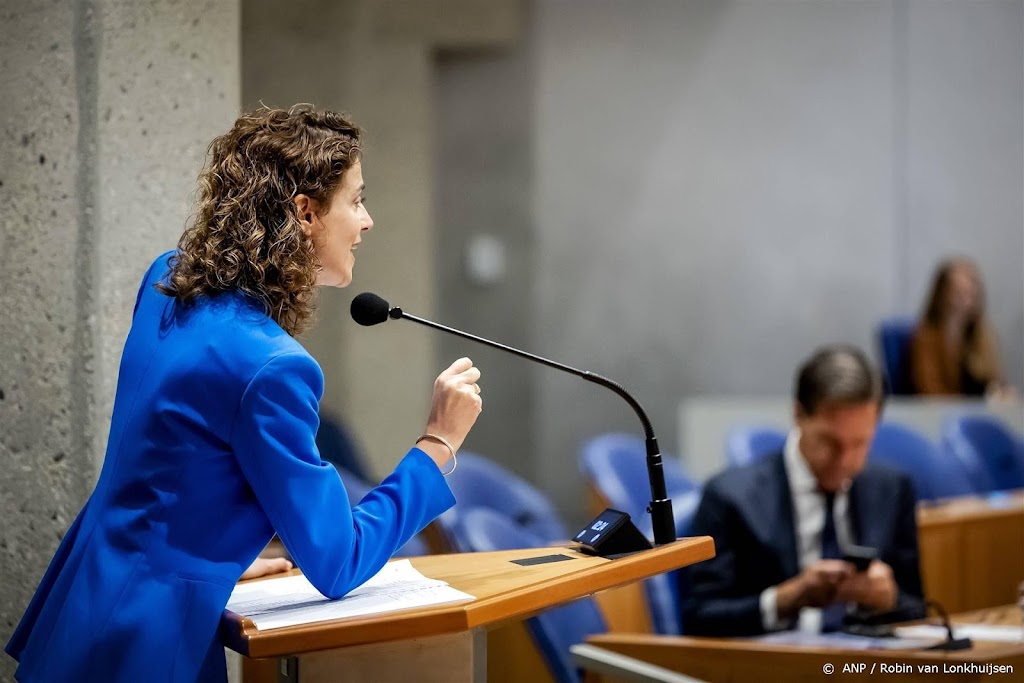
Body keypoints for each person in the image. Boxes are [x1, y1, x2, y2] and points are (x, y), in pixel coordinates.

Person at [6, 106, 483, 682]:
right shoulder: (274, 368)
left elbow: (170, 464)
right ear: (305, 212)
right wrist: (438, 441)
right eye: (356, 200)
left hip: (85, 606)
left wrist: (218, 556)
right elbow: (339, 559)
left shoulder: (168, 279)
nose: (368, 221)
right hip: (145, 646)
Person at [682, 345, 925, 636]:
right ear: (798, 414)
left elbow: (919, 608)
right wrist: (786, 599)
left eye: (860, 443)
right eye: (830, 442)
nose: (845, 460)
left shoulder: (891, 489)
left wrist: (890, 599)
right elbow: (700, 617)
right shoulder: (730, 497)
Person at [909, 257, 1011, 398]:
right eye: (958, 293)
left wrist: (1002, 395)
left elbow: (994, 382)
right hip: (941, 413)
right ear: (942, 295)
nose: (965, 301)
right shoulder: (926, 337)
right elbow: (930, 393)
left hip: (980, 412)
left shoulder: (983, 335)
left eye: (970, 293)